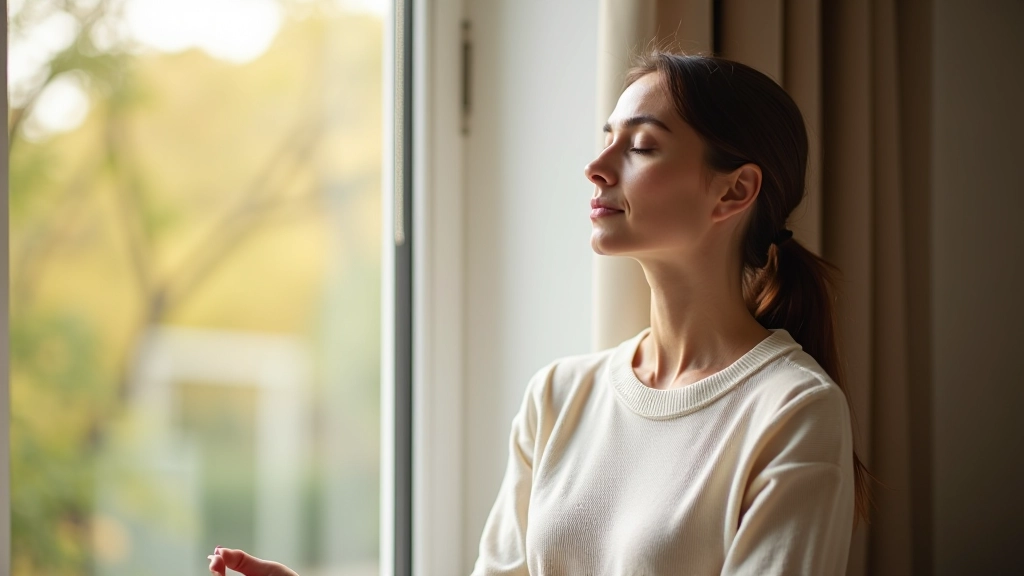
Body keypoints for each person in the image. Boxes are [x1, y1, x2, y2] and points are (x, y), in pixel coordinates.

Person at [207, 51, 869, 576]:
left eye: (640, 146)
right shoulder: (559, 396)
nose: (596, 167)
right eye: (606, 139)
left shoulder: (793, 411)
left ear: (735, 191)